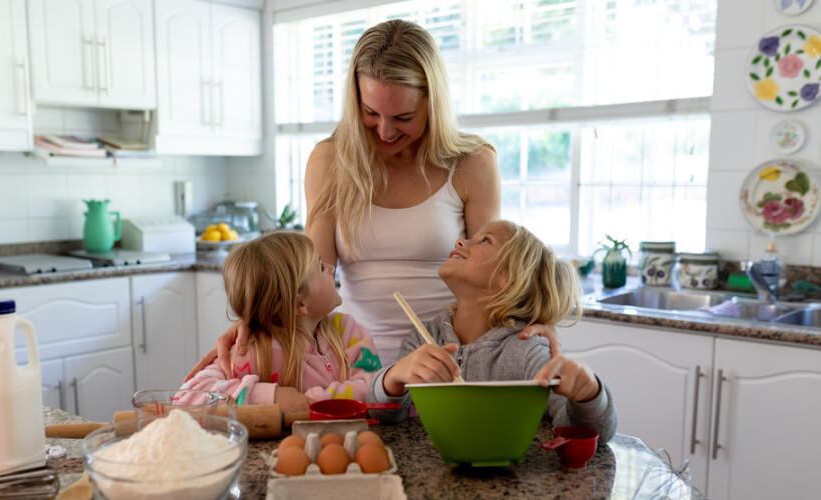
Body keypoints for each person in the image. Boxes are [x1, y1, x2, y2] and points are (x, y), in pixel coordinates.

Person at [185, 19, 559, 382]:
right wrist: (255, 322)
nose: (385, 130)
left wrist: (537, 324)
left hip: (448, 369)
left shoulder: (472, 163)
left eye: (403, 116)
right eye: (370, 112)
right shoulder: (330, 160)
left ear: (433, 103)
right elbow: (307, 276)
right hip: (350, 369)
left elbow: (497, 270)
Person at [368, 220, 617, 443]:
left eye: (485, 240)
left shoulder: (527, 352)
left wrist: (589, 395)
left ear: (508, 277)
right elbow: (383, 415)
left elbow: (583, 432)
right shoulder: (423, 339)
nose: (460, 241)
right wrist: (392, 378)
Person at [179, 232, 382, 413]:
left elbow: (373, 388)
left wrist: (310, 401)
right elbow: (187, 396)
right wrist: (271, 397)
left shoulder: (348, 331)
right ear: (299, 304)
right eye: (321, 267)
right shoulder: (253, 352)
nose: (331, 268)